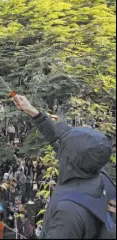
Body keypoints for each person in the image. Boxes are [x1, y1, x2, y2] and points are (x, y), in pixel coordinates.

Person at [13, 94, 114, 239]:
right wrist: (34, 113)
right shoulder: (99, 175)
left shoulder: (68, 212)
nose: (59, 146)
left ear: (69, 157)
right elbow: (56, 139)